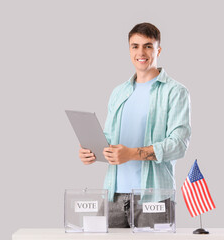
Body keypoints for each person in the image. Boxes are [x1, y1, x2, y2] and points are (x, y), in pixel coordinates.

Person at [78, 22, 191, 228]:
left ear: (158, 50)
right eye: (135, 46)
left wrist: (132, 154)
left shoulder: (175, 92)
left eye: (148, 46)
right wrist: (93, 152)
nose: (141, 52)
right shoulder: (119, 92)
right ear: (129, 49)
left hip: (154, 198)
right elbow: (110, 138)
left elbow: (178, 145)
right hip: (114, 196)